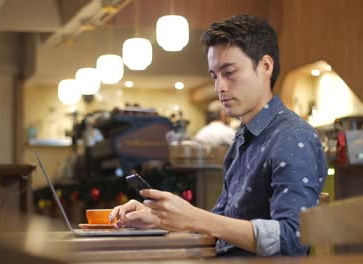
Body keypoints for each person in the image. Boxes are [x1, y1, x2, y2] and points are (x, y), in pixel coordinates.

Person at [109, 13, 328, 257]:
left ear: (265, 67)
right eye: (214, 75)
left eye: (230, 72)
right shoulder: (245, 137)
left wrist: (196, 217)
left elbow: (294, 239)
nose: (219, 87)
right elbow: (224, 224)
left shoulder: (291, 138)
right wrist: (160, 218)